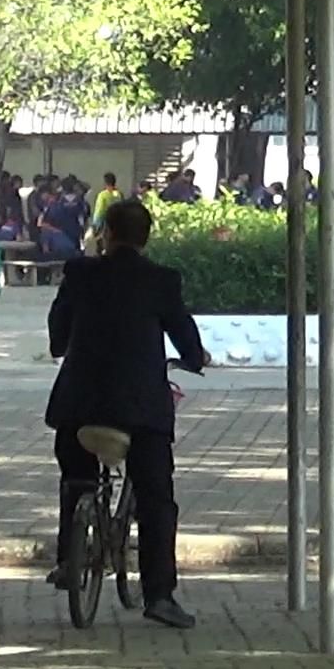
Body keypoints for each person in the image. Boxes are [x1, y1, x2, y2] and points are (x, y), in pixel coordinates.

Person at [45, 199, 207, 630]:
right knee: (156, 500)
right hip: (141, 409)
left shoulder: (79, 273)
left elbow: (58, 334)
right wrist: (196, 358)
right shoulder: (162, 281)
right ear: (146, 238)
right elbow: (185, 334)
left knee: (75, 478)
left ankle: (69, 561)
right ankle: (160, 595)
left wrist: (67, 343)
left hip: (78, 404)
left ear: (107, 234)